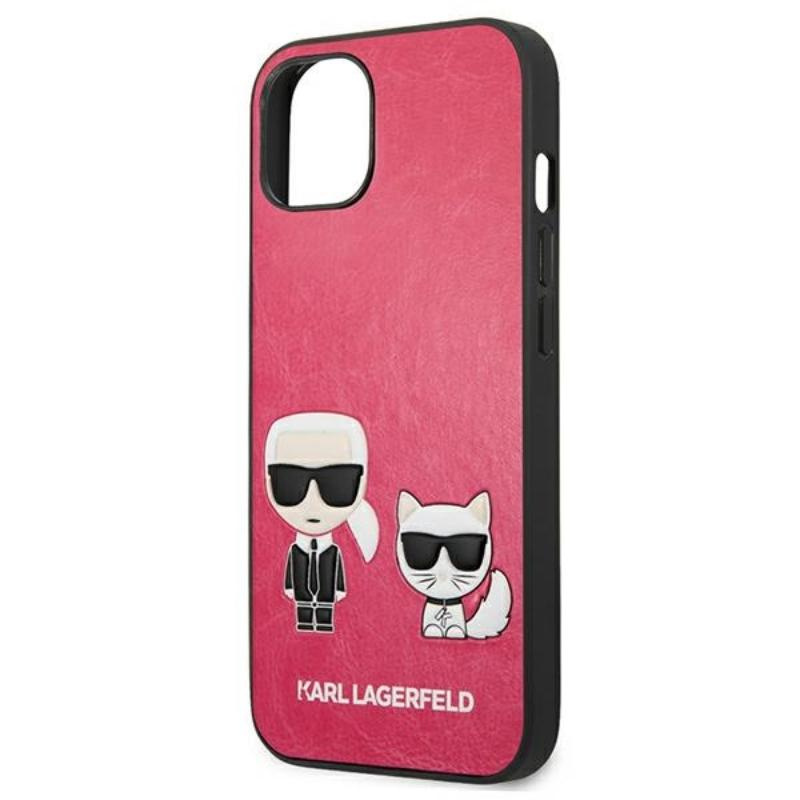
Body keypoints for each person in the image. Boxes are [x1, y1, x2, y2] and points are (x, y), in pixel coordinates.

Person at [264, 412, 379, 633]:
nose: (312, 499)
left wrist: (339, 590)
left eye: (337, 484)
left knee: (325, 617)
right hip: (301, 601)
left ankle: (324, 623)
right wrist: (289, 588)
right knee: (303, 619)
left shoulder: (333, 551)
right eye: (290, 483)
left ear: (361, 482)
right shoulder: (296, 550)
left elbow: (339, 572)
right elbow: (290, 572)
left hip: (327, 599)